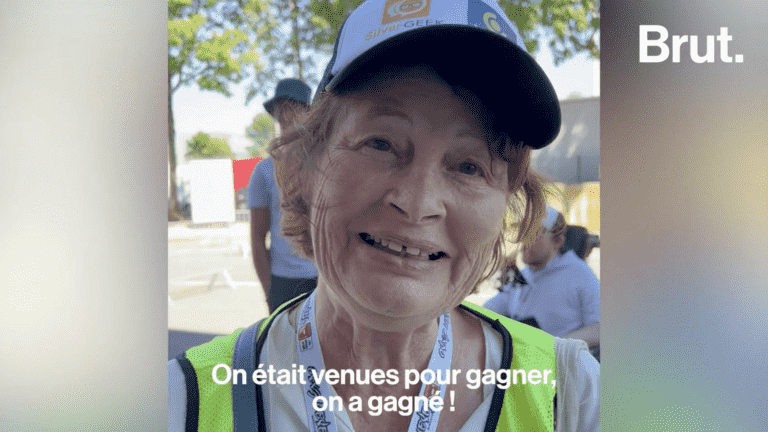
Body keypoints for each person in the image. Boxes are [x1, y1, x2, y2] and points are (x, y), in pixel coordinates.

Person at [169, 2, 599, 431]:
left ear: (506, 203)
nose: (417, 202)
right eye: (381, 143)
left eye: (470, 166)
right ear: (303, 171)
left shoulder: (573, 396)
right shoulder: (181, 403)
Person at [486, 206, 600, 349]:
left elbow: (599, 329)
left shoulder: (580, 275)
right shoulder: (525, 274)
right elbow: (489, 310)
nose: (524, 239)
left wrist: (552, 347)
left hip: (560, 367)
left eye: (534, 233)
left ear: (558, 241)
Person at [249, 78, 318, 313]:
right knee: (283, 349)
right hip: (284, 282)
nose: (289, 114)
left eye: (296, 107)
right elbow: (258, 237)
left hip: (324, 278)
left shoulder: (324, 165)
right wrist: (269, 289)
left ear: (309, 113)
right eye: (283, 108)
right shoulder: (264, 171)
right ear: (276, 113)